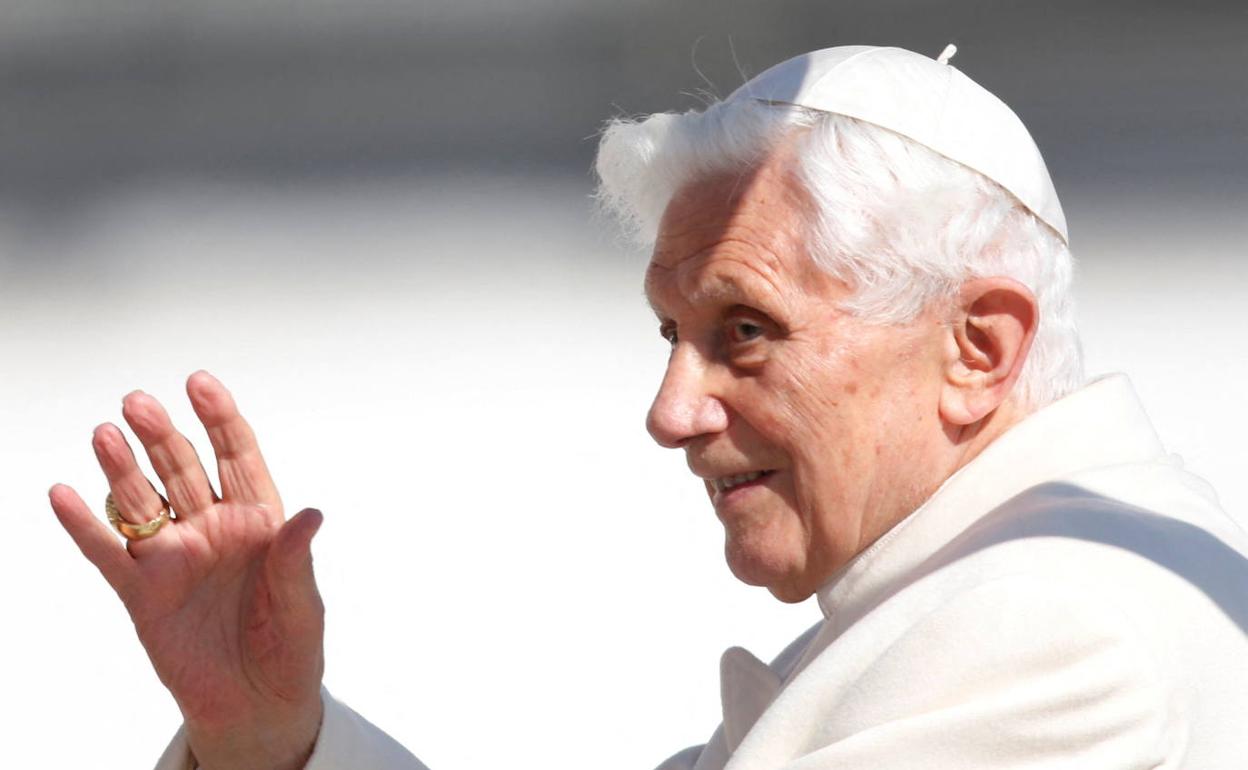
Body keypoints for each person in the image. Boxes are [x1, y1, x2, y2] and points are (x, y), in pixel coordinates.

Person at [49, 44, 1248, 769]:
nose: (671, 411)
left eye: (746, 330)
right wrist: (274, 739)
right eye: (672, 334)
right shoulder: (998, 585)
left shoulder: (1051, 625)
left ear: (978, 348)